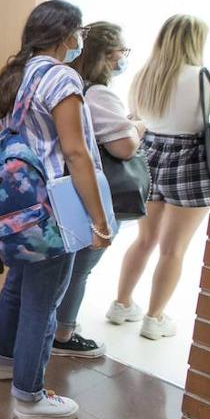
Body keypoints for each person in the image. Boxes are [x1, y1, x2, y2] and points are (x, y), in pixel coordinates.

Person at [0, 0, 111, 419]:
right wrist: (98, 218)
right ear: (65, 35)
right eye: (77, 35)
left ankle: (0, 360)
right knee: (46, 299)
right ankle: (30, 397)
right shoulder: (60, 76)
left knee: (19, 283)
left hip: (19, 206)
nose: (78, 43)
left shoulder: (16, 74)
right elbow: (75, 152)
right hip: (55, 205)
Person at [110, 15, 210, 340]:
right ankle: (154, 318)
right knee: (173, 249)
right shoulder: (205, 75)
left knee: (144, 240)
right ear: (194, 40)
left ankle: (121, 304)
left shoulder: (147, 73)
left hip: (148, 156)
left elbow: (135, 116)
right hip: (190, 161)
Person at [54, 22, 143, 358]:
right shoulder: (97, 93)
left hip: (63, 190)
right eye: (122, 51)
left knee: (67, 265)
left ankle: (57, 327)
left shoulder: (68, 85)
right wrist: (136, 126)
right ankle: (63, 333)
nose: (124, 57)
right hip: (91, 193)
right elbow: (123, 147)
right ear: (107, 55)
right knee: (80, 266)